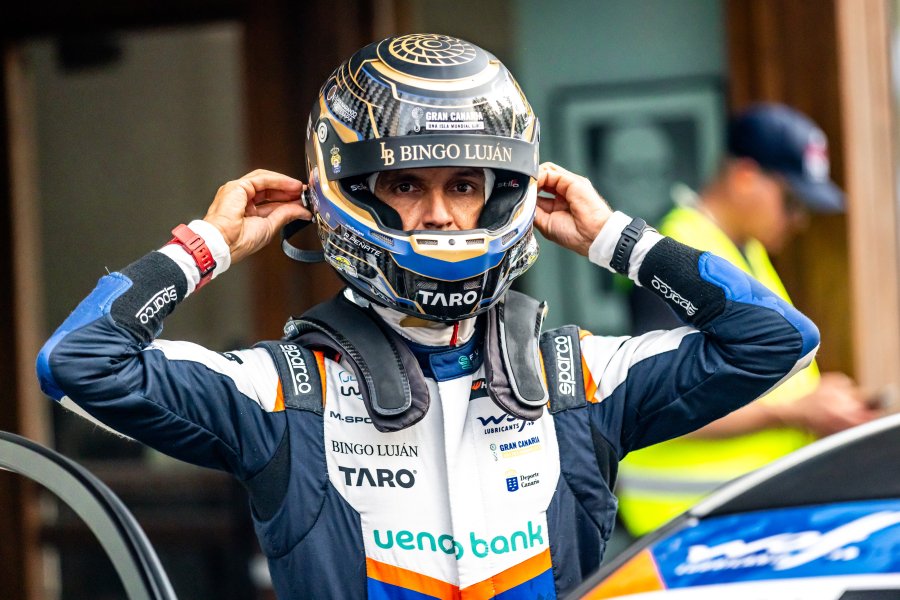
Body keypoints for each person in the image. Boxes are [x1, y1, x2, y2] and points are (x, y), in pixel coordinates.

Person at [37, 35, 820, 598]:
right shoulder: (282, 391)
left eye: (465, 185)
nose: (440, 216)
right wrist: (207, 246)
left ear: (503, 194)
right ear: (352, 193)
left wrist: (614, 238)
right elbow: (79, 363)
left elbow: (776, 341)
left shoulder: (576, 377)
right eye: (406, 185)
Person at [620, 103, 879, 538]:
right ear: (744, 177)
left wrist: (816, 401)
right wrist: (796, 411)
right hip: (684, 527)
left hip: (735, 520)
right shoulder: (678, 253)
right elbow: (656, 402)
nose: (798, 220)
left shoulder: (742, 248)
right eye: (791, 201)